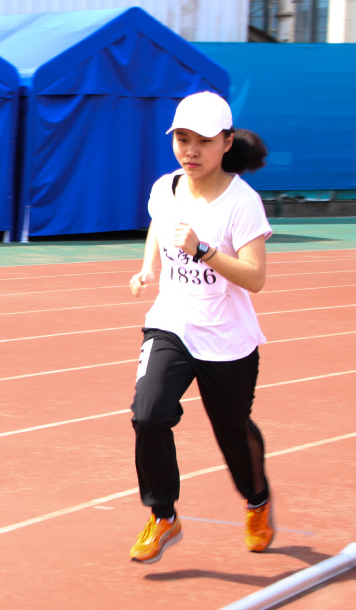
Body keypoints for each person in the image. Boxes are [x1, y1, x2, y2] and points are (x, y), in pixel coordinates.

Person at [128, 91, 274, 564]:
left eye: (203, 142)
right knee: (148, 414)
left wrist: (204, 250)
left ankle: (257, 502)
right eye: (182, 139)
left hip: (226, 338)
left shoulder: (242, 203)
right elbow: (160, 224)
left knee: (232, 431)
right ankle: (163, 516)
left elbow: (255, 278)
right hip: (172, 323)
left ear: (227, 143)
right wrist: (148, 267)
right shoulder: (165, 187)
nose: (190, 151)